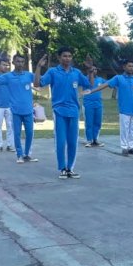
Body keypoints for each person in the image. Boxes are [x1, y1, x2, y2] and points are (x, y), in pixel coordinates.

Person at [34, 47, 91, 179]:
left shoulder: (76, 72)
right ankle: (62, 169)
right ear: (59, 58)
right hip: (59, 111)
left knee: (72, 142)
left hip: (74, 111)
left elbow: (89, 84)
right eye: (64, 56)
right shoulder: (53, 72)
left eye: (69, 56)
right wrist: (38, 67)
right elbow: (37, 83)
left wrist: (89, 70)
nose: (67, 58)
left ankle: (70, 168)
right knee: (61, 142)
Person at [83, 60, 133, 156]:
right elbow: (106, 85)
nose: (131, 68)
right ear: (124, 67)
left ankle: (131, 147)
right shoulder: (118, 78)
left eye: (132, 66)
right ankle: (124, 148)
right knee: (124, 129)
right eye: (129, 66)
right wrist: (92, 91)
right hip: (124, 109)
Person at [82, 66, 106, 147]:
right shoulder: (85, 79)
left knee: (97, 123)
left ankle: (95, 139)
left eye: (96, 69)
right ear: (88, 70)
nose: (94, 71)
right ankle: (89, 140)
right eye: (92, 69)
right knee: (89, 123)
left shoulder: (100, 79)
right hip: (88, 104)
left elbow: (108, 83)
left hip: (98, 104)